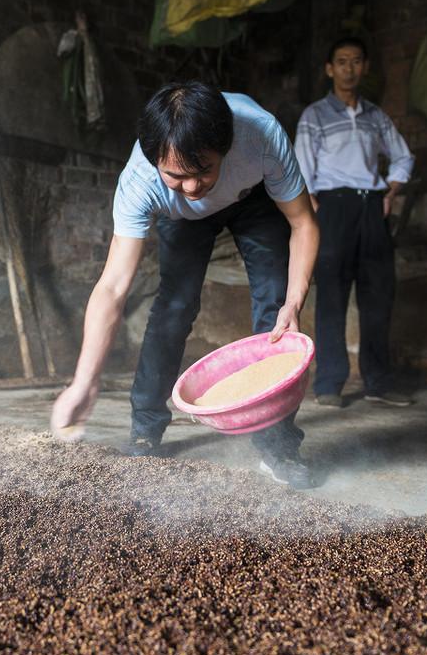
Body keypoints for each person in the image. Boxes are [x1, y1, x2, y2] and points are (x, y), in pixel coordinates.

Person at [49, 82, 320, 488]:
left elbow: (303, 222)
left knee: (275, 308)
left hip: (253, 197)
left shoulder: (261, 136)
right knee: (174, 307)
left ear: (226, 148)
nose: (193, 187)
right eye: (176, 175)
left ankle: (278, 447)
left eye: (204, 170)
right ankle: (146, 428)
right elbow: (112, 287)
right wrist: (84, 382)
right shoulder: (140, 180)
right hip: (181, 219)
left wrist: (294, 302)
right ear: (154, 158)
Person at [295, 37, 415, 409]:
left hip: (370, 207)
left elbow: (403, 158)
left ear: (364, 68)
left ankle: (378, 381)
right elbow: (301, 167)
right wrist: (313, 207)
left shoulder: (375, 116)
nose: (349, 68)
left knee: (378, 294)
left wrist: (391, 193)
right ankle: (329, 384)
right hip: (333, 207)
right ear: (330, 69)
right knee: (331, 295)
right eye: (341, 61)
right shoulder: (314, 116)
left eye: (356, 61)